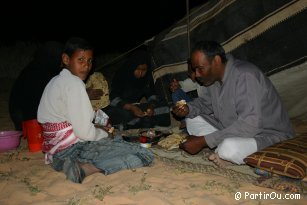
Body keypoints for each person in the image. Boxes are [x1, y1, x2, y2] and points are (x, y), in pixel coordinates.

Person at [37, 37, 153, 183]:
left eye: (89, 61)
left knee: (116, 140)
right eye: (81, 60)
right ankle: (86, 168)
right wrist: (103, 133)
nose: (86, 66)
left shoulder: (55, 81)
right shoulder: (74, 84)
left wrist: (98, 128)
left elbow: (66, 121)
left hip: (56, 153)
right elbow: (84, 133)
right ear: (66, 59)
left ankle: (68, 164)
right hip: (73, 149)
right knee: (144, 154)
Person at [172, 40, 294, 167]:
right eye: (195, 69)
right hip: (233, 129)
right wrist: (188, 108)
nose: (196, 74)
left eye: (200, 68)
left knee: (229, 148)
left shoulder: (245, 76)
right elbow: (205, 103)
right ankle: (224, 148)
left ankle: (225, 151)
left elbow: (249, 126)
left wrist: (204, 141)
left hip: (267, 135)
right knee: (191, 119)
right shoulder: (212, 80)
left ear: (217, 61)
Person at [106, 48, 170, 130]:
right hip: (122, 108)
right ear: (132, 67)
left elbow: (152, 95)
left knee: (163, 105)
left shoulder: (146, 77)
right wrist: (132, 108)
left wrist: (151, 107)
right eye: (138, 69)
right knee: (124, 115)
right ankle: (140, 122)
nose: (140, 73)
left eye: (144, 70)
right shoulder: (122, 74)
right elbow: (113, 98)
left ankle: (137, 123)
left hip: (137, 107)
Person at [9, 41, 64, 131]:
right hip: (28, 120)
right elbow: (32, 103)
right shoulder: (42, 72)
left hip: (20, 117)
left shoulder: (36, 66)